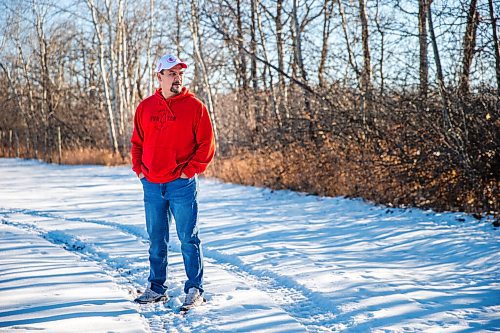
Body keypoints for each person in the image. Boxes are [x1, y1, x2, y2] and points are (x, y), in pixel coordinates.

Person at [131, 54, 216, 308]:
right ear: (159, 77)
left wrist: (188, 171)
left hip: (181, 185)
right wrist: (140, 170)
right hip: (152, 185)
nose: (177, 78)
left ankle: (195, 289)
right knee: (156, 239)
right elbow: (137, 142)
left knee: (188, 238)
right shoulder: (145, 107)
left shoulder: (195, 107)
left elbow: (206, 145)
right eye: (171, 73)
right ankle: (156, 287)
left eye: (180, 73)